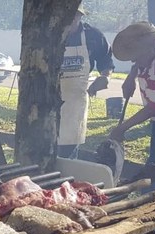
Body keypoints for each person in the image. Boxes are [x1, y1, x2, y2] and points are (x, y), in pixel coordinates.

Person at [109, 20, 155, 188]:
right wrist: (130, 77)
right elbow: (139, 64)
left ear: (152, 48)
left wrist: (122, 128)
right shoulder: (147, 58)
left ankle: (154, 200)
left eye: (137, 57)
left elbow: (154, 107)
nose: (135, 62)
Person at [58, 5, 114, 158]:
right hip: (49, 98)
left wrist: (105, 76)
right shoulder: (49, 34)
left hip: (75, 102)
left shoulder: (93, 36)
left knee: (68, 152)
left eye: (73, 16)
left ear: (79, 16)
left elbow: (106, 60)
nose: (69, 20)